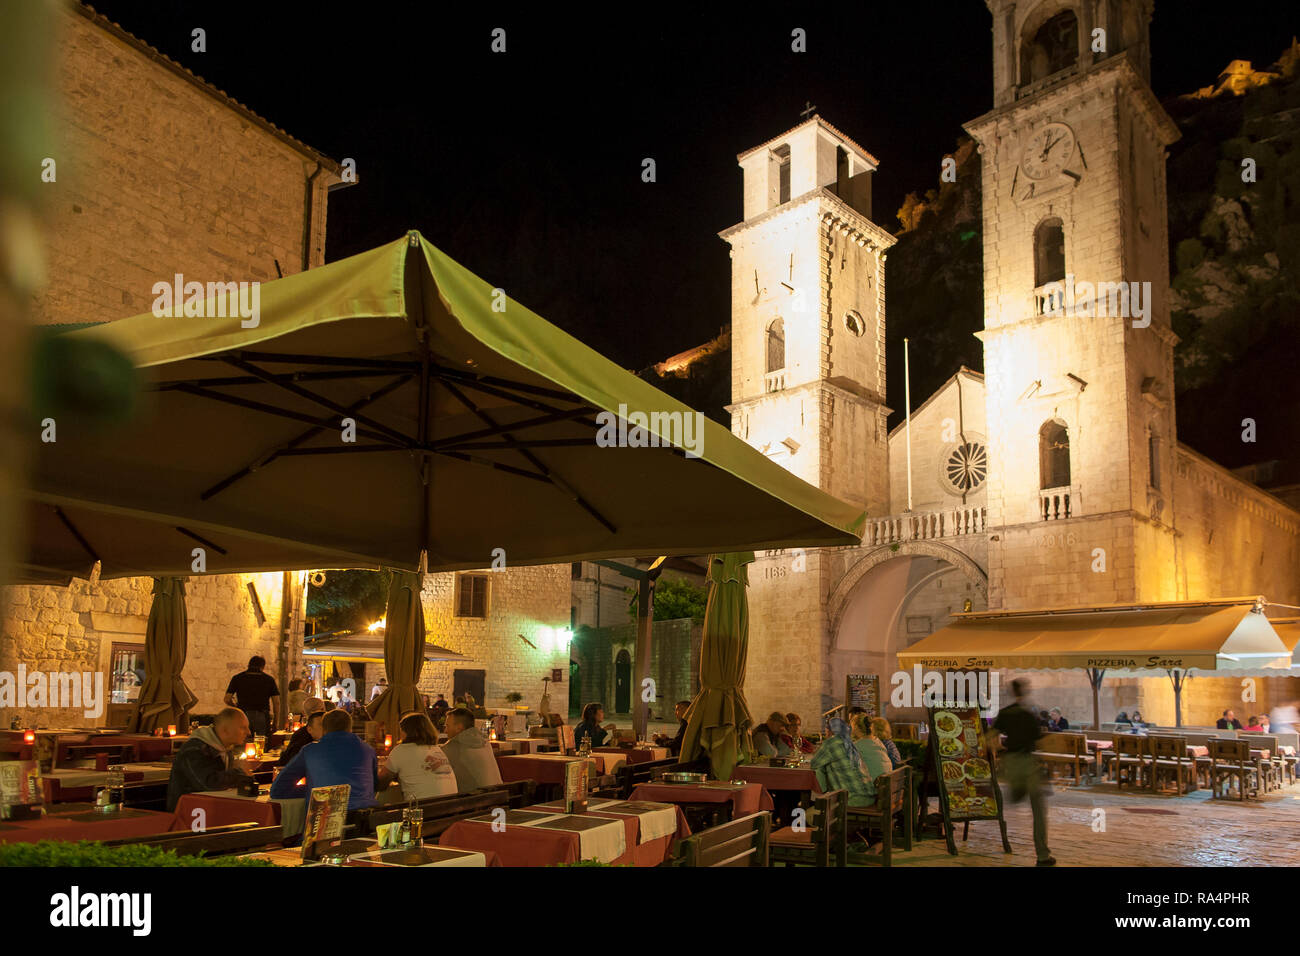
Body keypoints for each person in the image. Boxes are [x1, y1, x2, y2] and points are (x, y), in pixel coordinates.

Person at [990, 679, 1054, 866]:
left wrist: (1000, 750)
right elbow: (1039, 740)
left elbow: (989, 737)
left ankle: (1017, 790)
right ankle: (1043, 855)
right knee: (1039, 809)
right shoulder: (1028, 714)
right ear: (1025, 691)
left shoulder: (1005, 713)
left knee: (1023, 796)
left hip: (1011, 762)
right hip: (1026, 762)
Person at [270, 709, 378, 811]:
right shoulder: (368, 750)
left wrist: (314, 791)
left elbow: (277, 789)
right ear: (350, 728)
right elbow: (374, 784)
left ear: (324, 730)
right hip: (366, 819)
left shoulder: (310, 751)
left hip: (324, 820)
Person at [165, 707, 260, 812]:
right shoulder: (194, 750)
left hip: (213, 809)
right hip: (190, 815)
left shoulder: (226, 750)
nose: (248, 732)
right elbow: (208, 784)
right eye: (243, 727)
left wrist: (246, 775)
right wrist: (241, 772)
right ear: (225, 730)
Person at [378, 712, 458, 801]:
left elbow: (381, 783)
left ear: (407, 732)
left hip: (421, 811)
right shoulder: (436, 749)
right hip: (449, 809)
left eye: (401, 731)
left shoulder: (401, 750)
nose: (400, 735)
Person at [810, 716, 875, 807]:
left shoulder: (831, 743)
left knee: (818, 769)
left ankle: (818, 801)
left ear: (830, 730)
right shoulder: (850, 743)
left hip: (852, 799)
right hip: (869, 797)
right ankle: (820, 800)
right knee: (822, 768)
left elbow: (814, 764)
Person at [441, 707, 503, 791]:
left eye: (447, 726)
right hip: (498, 796)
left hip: (476, 800)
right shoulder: (485, 743)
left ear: (459, 727)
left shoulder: (452, 747)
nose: (445, 731)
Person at [224, 656, 280, 738]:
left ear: (249, 665)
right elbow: (276, 703)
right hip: (262, 716)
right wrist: (275, 722)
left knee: (243, 741)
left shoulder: (237, 678)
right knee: (261, 743)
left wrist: (236, 707)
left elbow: (227, 699)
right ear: (262, 667)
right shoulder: (269, 679)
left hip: (243, 715)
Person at [850, 713, 893, 784]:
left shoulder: (856, 746)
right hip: (887, 787)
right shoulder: (878, 741)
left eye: (852, 726)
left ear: (856, 728)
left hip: (874, 789)